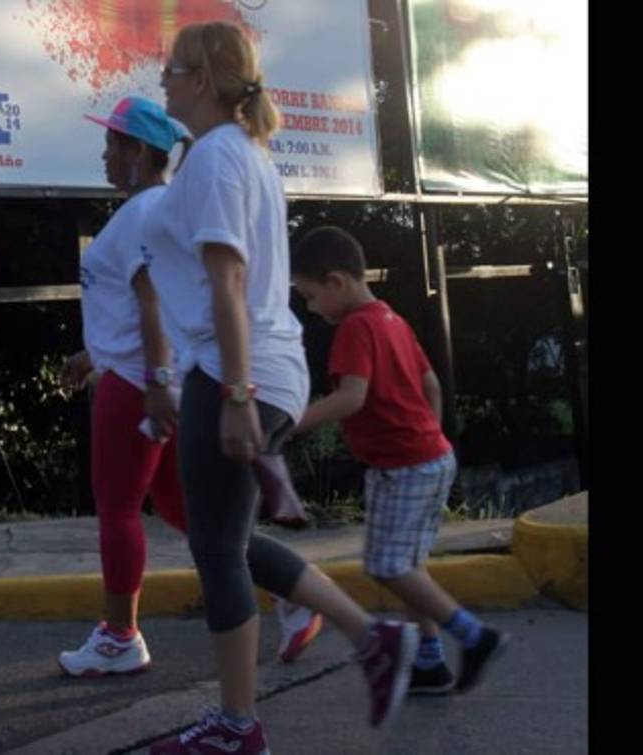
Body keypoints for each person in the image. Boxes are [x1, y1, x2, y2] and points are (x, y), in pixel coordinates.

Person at [141, 22, 418, 754]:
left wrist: (235, 394)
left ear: (202, 79)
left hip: (238, 370)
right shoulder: (234, 151)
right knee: (228, 538)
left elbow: (228, 282)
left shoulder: (217, 158)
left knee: (216, 546)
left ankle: (238, 726)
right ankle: (374, 637)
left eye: (172, 70)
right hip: (253, 366)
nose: (162, 80)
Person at [57, 96, 322, 679]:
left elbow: (153, 304)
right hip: (155, 379)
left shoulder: (144, 212)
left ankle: (120, 636)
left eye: (112, 144)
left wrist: (153, 380)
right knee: (196, 520)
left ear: (138, 151)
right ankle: (295, 593)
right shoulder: (154, 208)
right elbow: (146, 307)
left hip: (140, 386)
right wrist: (96, 354)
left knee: (118, 509)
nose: (104, 155)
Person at [290, 225, 510, 695]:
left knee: (387, 566)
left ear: (336, 282)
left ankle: (474, 636)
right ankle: (430, 661)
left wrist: (290, 423)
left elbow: (351, 398)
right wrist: (427, 434)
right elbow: (432, 385)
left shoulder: (354, 328)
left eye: (310, 297)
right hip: (432, 457)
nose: (310, 308)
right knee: (409, 565)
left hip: (402, 465)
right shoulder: (392, 319)